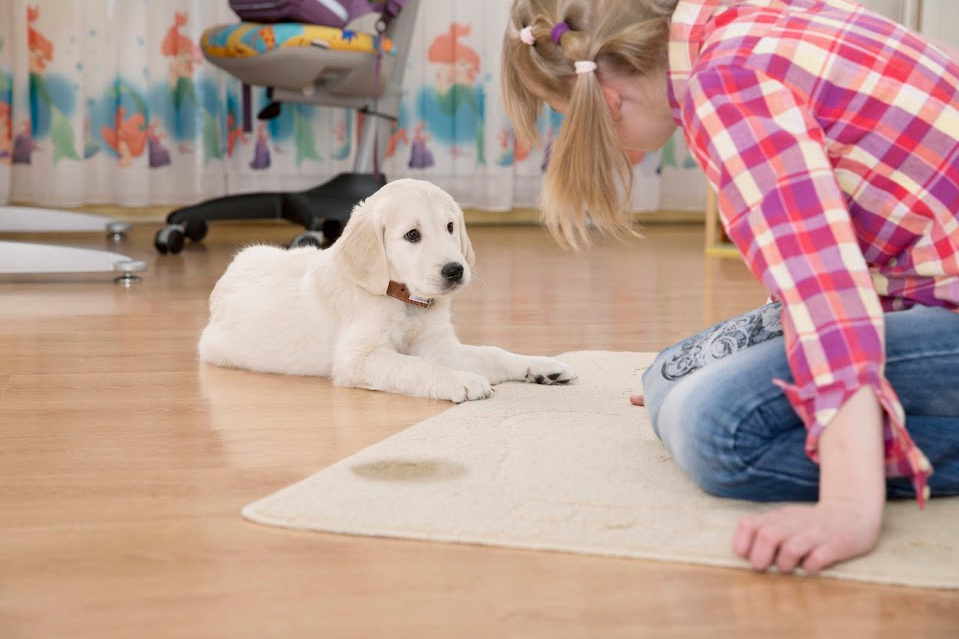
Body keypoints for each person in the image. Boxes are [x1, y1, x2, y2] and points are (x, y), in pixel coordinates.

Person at [501, 0, 959, 574]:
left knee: (717, 427)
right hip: (919, 285)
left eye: (561, 114)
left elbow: (826, 296)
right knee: (670, 373)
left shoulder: (728, 85)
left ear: (607, 101)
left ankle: (860, 457)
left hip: (921, 297)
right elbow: (821, 245)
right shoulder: (739, 23)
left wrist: (847, 503)